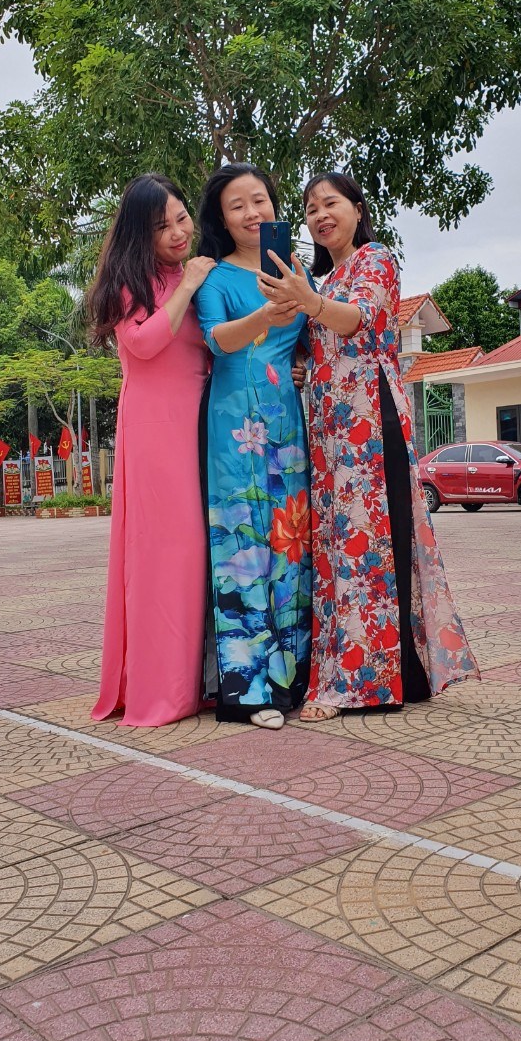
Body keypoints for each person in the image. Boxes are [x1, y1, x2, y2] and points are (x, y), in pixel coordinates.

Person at [257, 172, 479, 720]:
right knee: (337, 547)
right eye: (311, 209)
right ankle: (388, 673)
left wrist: (309, 302)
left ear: (357, 209)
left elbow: (358, 319)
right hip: (329, 432)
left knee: (370, 543)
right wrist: (304, 361)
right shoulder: (322, 279)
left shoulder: (375, 259)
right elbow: (318, 344)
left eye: (330, 203)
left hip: (369, 422)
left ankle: (367, 680)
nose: (320, 215)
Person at [88, 173, 215, 726]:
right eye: (163, 226)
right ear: (142, 233)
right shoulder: (130, 282)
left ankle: (202, 681)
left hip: (204, 423)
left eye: (182, 217)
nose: (178, 232)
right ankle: (160, 689)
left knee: (203, 549)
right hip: (154, 430)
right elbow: (141, 344)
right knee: (166, 552)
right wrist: (187, 287)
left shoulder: (203, 273)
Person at [194, 163, 312, 729]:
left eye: (259, 200)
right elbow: (217, 340)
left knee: (290, 537)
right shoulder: (215, 278)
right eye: (237, 205)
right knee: (241, 539)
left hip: (285, 417)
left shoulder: (295, 271)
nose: (251, 212)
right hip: (233, 422)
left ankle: (294, 678)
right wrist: (265, 313)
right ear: (222, 219)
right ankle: (249, 690)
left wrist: (300, 361)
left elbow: (310, 337)